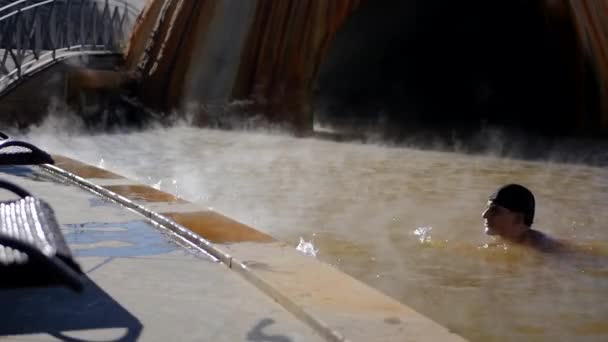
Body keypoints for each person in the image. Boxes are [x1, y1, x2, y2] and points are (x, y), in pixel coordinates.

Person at [482, 183, 563, 252]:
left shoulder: (544, 251)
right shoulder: (502, 241)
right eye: (487, 208)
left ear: (518, 219)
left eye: (495, 211)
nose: (484, 215)